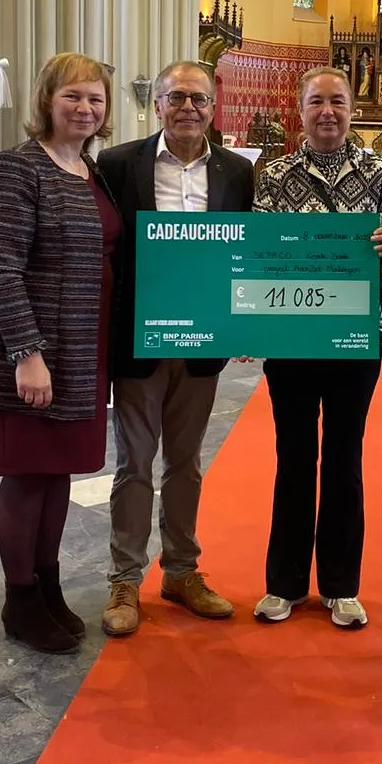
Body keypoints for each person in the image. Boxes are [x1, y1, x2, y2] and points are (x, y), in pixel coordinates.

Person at [96, 61, 256, 637]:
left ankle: (182, 571)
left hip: (203, 342)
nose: (189, 107)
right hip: (142, 338)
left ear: (215, 107)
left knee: (185, 463)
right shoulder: (118, 164)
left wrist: (241, 323)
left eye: (200, 99)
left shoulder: (239, 172)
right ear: (157, 104)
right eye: (177, 97)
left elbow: (245, 252)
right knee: (135, 462)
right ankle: (124, 578)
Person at [0, 53, 121, 654]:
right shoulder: (18, 168)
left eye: (96, 99)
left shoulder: (92, 171)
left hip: (85, 348)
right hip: (34, 349)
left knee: (57, 473)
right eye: (73, 97)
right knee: (26, 474)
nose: (86, 108)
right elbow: (3, 269)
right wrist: (26, 354)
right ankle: (19, 599)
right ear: (47, 100)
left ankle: (48, 584)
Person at [252, 68, 382, 629]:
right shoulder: (275, 174)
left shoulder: (379, 171)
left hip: (354, 336)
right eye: (317, 102)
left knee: (344, 456)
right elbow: (261, 251)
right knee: (293, 457)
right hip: (290, 338)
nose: (327, 112)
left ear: (351, 108)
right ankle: (284, 584)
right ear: (300, 109)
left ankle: (341, 585)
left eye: (337, 101)